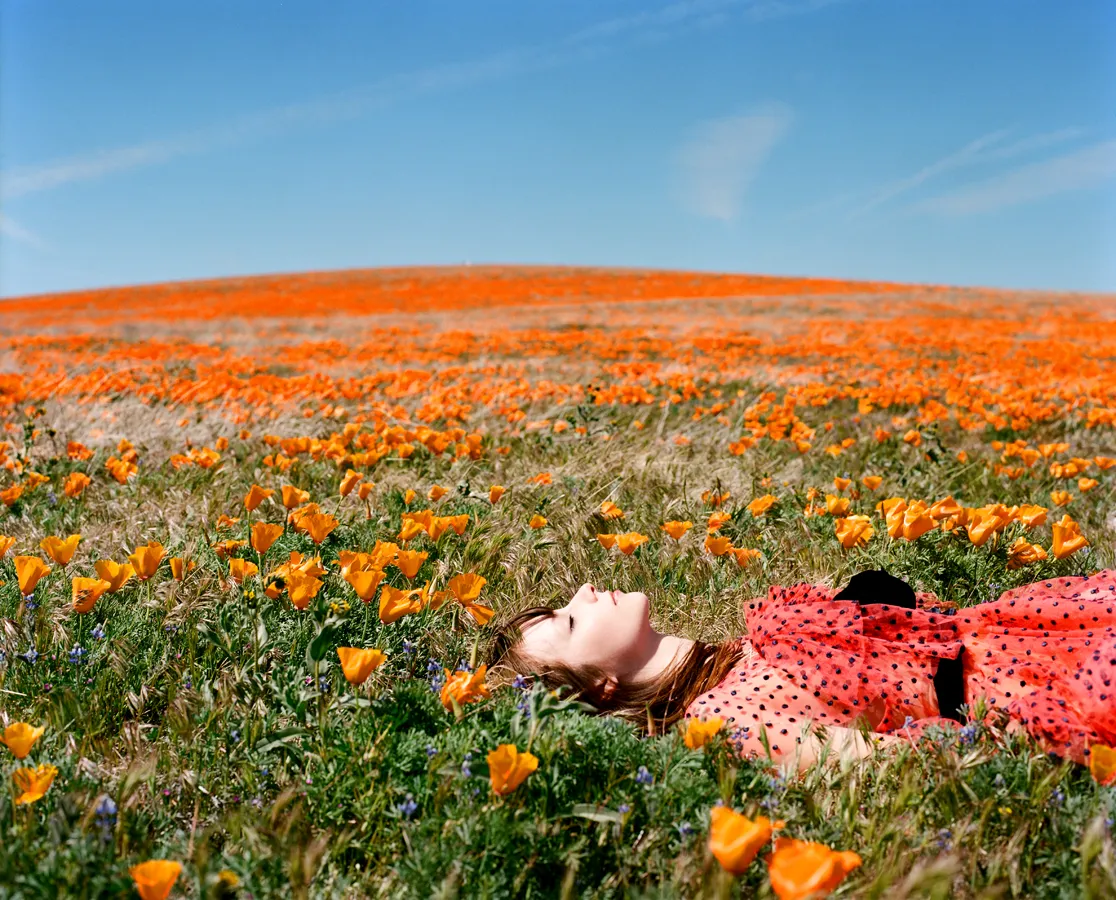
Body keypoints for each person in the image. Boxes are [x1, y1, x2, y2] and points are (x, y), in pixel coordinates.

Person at [486, 568, 1116, 773]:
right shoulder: (723, 720)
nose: (587, 589)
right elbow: (889, 765)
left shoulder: (747, 644)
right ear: (601, 686)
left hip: (1033, 628)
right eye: (569, 623)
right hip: (1036, 686)